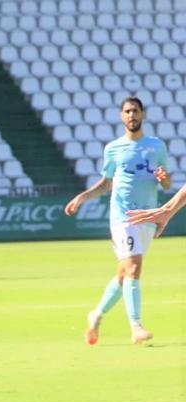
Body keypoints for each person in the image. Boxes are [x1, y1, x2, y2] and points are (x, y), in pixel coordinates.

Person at [65, 96, 171, 345]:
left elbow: (166, 183)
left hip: (147, 215)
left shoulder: (157, 146)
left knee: (124, 274)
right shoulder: (113, 148)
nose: (131, 115)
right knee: (134, 268)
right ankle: (136, 326)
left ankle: (96, 315)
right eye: (127, 111)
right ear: (121, 116)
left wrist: (164, 178)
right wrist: (82, 197)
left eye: (135, 111)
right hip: (122, 216)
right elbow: (106, 183)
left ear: (143, 114)